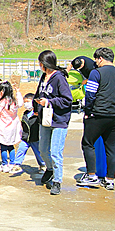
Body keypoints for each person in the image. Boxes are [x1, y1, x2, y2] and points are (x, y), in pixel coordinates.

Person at [78, 47, 115, 191]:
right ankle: (109, 179)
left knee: (88, 143)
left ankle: (91, 176)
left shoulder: (96, 73)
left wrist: (88, 111)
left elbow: (91, 94)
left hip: (97, 115)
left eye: (96, 60)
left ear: (100, 58)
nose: (95, 63)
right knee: (111, 146)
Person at [34, 50, 73, 196]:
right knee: (43, 149)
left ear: (45, 64)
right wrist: (35, 105)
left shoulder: (59, 78)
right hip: (45, 118)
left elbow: (67, 100)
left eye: (40, 63)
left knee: (56, 152)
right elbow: (40, 93)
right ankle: (49, 169)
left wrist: (49, 102)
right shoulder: (44, 77)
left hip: (59, 119)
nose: (39, 65)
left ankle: (57, 181)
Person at [0, 81, 24, 173]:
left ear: (1, 92)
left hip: (3, 127)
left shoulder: (1, 103)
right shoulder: (14, 102)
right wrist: (18, 92)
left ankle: (5, 164)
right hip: (13, 127)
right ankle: (12, 163)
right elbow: (21, 103)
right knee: (11, 146)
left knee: (3, 147)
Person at [13, 93, 46, 173]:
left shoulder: (38, 114)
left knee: (39, 153)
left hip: (35, 138)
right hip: (26, 138)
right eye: (25, 102)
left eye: (27, 101)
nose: (25, 104)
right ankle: (17, 164)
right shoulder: (25, 114)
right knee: (21, 149)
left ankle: (43, 165)